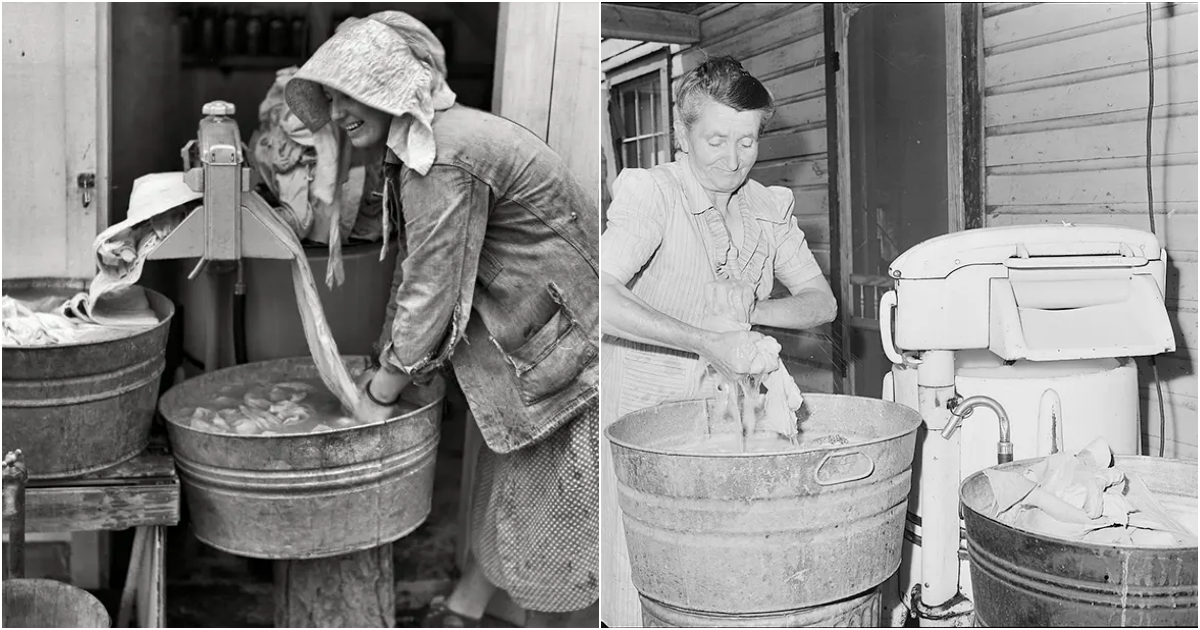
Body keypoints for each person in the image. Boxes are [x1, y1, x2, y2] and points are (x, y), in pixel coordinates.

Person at [285, 12, 599, 628]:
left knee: (552, 535)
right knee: (513, 498)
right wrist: (389, 361)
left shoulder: (444, 155)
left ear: (396, 87)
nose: (341, 109)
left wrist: (379, 392)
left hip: (567, 353)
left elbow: (430, 291)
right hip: (545, 337)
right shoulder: (428, 144)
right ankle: (465, 608)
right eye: (332, 95)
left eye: (354, 90)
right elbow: (416, 268)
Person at [599, 56, 838, 626]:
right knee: (646, 577)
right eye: (715, 140)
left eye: (747, 142)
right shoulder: (652, 195)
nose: (732, 161)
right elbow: (598, 295)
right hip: (649, 417)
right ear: (683, 134)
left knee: (722, 577)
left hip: (734, 419)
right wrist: (706, 339)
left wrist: (750, 309)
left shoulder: (767, 206)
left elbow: (820, 302)